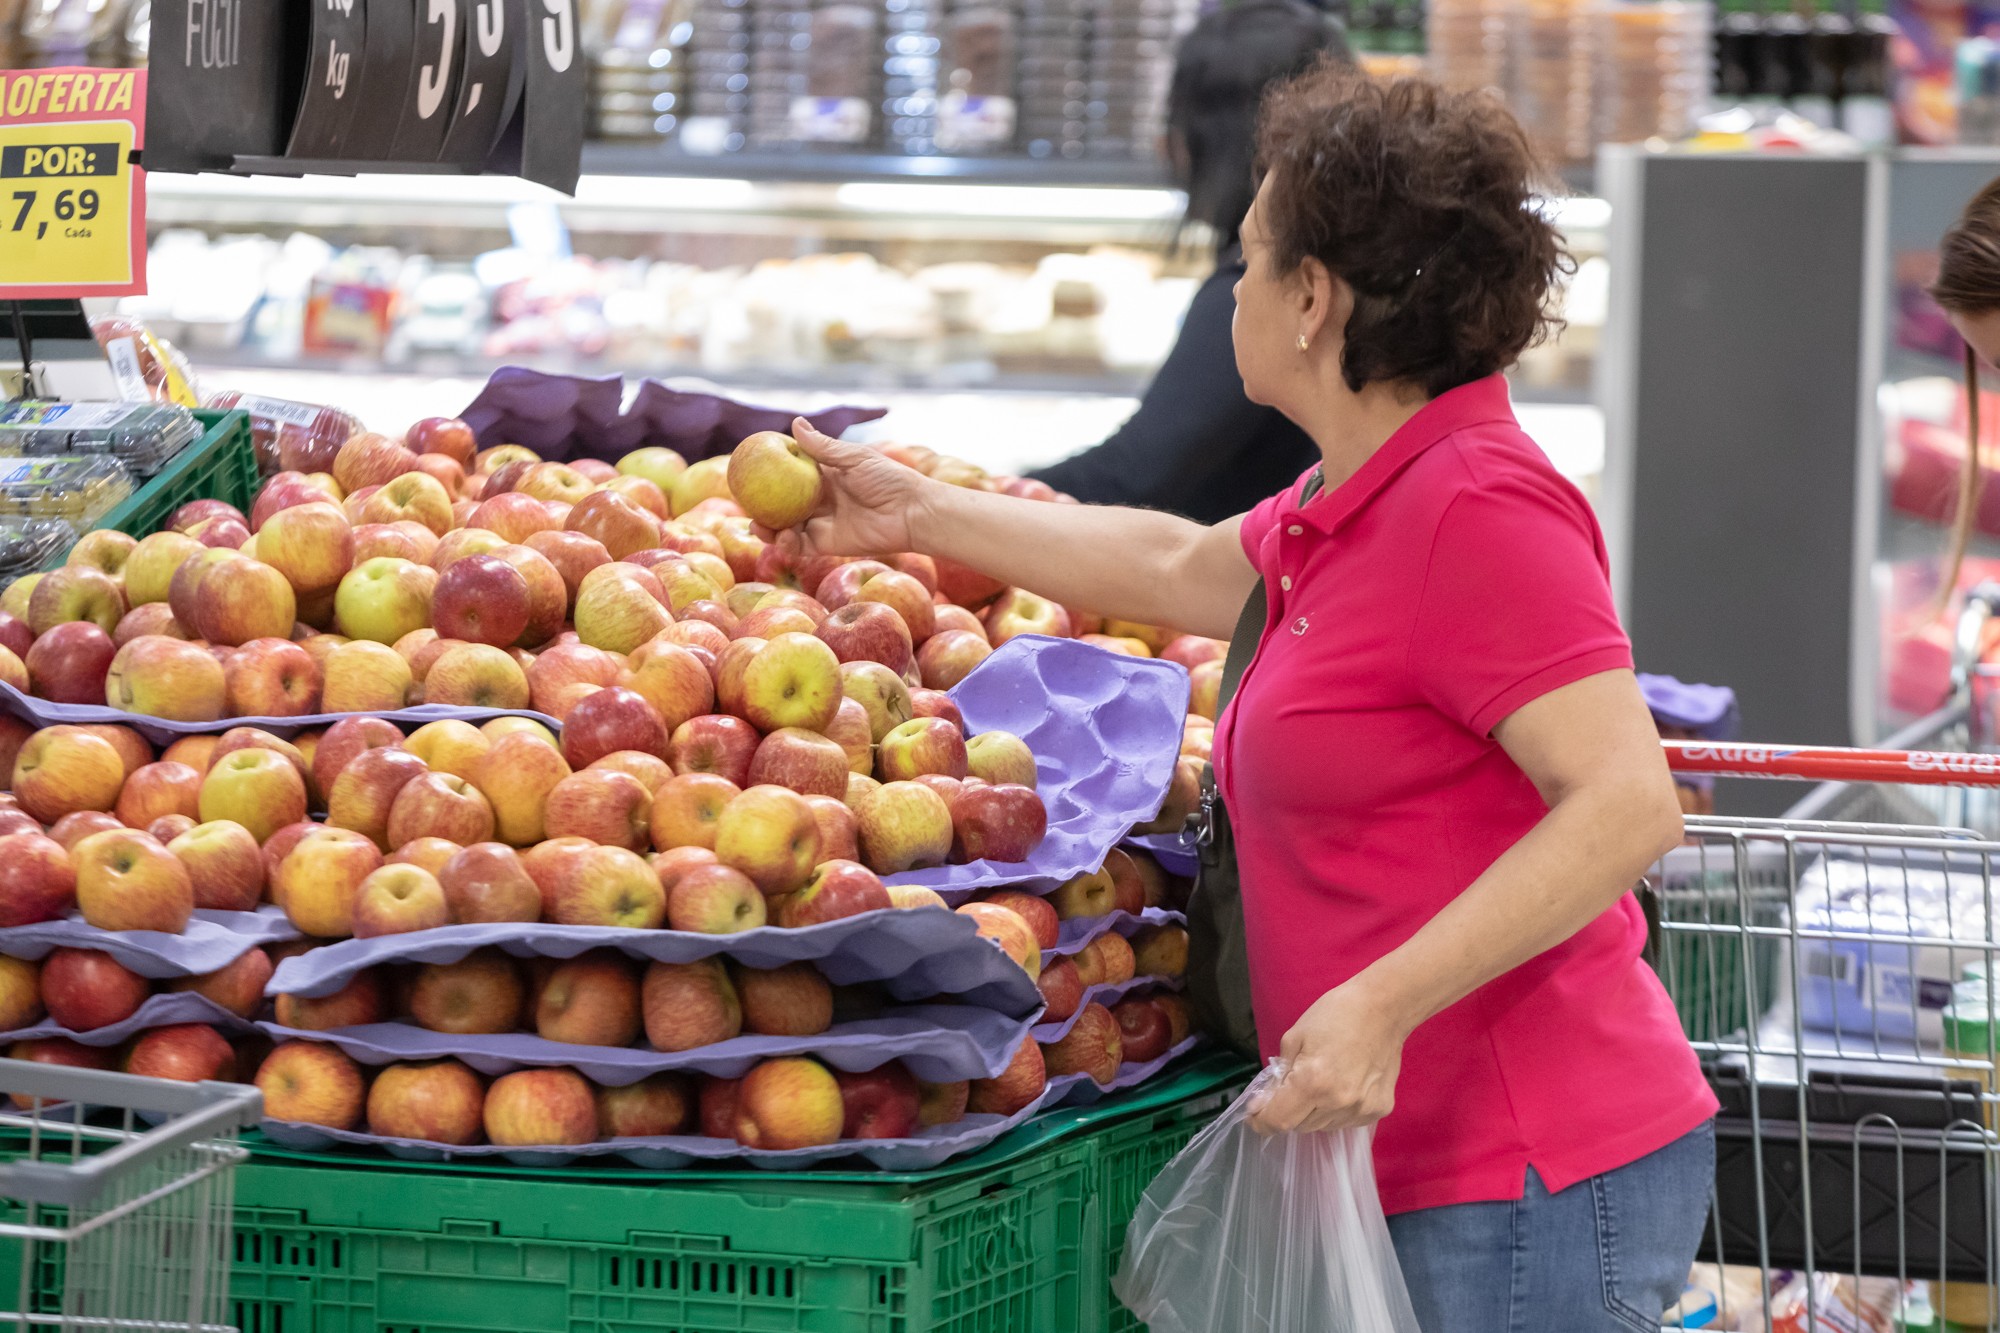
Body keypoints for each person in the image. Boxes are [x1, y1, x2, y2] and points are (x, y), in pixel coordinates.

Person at [772, 67, 1718, 1332]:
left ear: (1313, 299)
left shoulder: (1474, 506)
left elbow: (1622, 802)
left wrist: (1377, 1003)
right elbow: (1171, 566)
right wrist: (916, 512)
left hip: (1521, 1171)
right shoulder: (1357, 497)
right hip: (1405, 1163)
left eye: (1248, 257)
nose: (1233, 287)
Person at [1025, 0, 1344, 523]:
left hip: (1253, 589)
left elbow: (1139, 473)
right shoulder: (1347, 270)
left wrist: (962, 496)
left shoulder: (1267, 289)